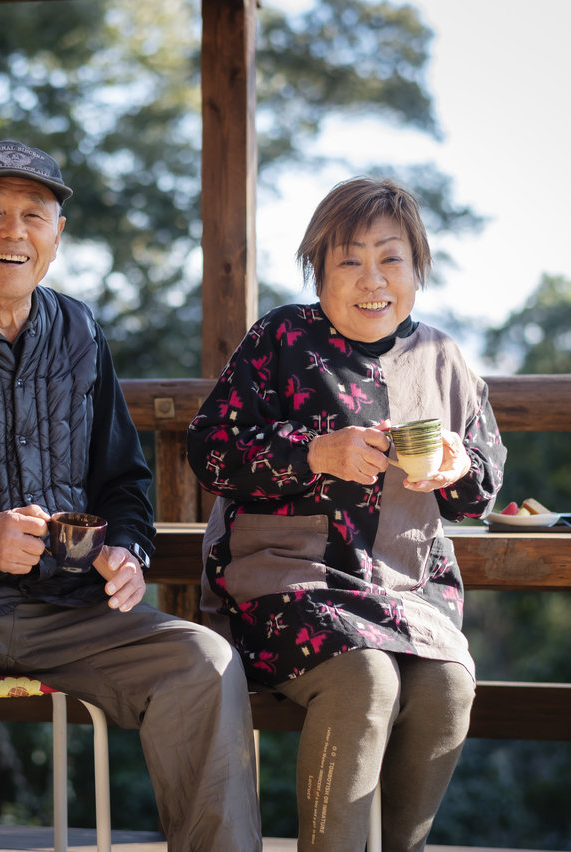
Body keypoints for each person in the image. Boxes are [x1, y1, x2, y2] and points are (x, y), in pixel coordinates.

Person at [0, 139, 261, 852]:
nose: (14, 231)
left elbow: (125, 481)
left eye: (34, 214)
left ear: (57, 237)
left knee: (204, 664)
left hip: (71, 607)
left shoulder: (81, 332)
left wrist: (128, 548)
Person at [186, 177, 506, 852]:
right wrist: (313, 452)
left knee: (449, 689)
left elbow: (480, 491)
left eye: (390, 258)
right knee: (364, 678)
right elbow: (211, 449)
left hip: (407, 590)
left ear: (417, 269)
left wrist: (457, 469)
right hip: (286, 585)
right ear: (319, 272)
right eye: (349, 260)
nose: (372, 279)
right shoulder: (281, 337)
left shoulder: (443, 357)